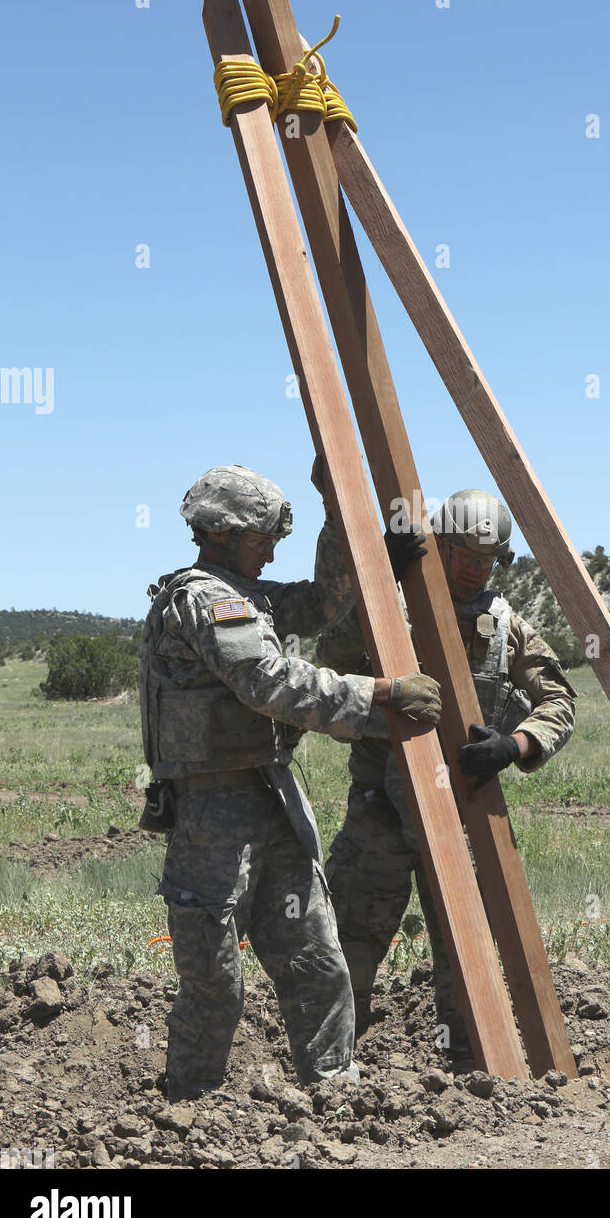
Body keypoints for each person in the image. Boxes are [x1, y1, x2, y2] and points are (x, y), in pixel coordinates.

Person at [138, 462, 441, 1102]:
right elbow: (270, 682)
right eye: (262, 539)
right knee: (217, 981)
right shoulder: (206, 599)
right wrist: (380, 695)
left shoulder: (256, 596)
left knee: (317, 962)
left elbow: (325, 603)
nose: (272, 550)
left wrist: (343, 519)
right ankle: (192, 1109)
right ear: (219, 533)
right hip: (213, 821)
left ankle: (335, 1097)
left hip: (272, 805)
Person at [318, 488, 577, 1052]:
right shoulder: (390, 607)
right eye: (463, 553)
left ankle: (470, 1079)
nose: (473, 568)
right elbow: (330, 658)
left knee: (468, 956)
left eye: (487, 559)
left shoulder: (508, 626)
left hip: (464, 818)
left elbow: (561, 700)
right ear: (437, 544)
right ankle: (332, 1077)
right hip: (379, 815)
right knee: (347, 950)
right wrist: (379, 576)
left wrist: (517, 745)